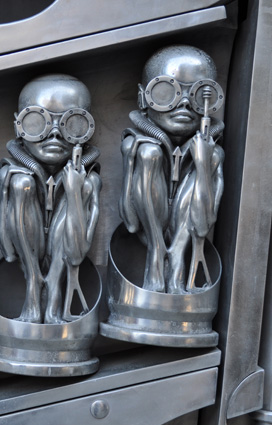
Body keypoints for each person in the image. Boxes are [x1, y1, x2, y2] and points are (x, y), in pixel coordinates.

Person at [119, 45, 224, 294]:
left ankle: (177, 262)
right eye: (167, 92)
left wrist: (202, 165)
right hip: (148, 236)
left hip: (187, 236)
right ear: (144, 97)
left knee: (211, 157)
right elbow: (131, 222)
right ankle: (157, 256)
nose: (185, 103)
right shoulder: (138, 148)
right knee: (148, 153)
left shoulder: (212, 153)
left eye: (198, 94)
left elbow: (203, 226)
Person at [0, 74, 101, 324]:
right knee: (21, 184)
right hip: (26, 265)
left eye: (71, 124)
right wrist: (8, 191)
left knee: (84, 186)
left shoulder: (88, 181)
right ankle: (33, 291)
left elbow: (77, 255)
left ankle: (54, 295)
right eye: (37, 122)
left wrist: (74, 194)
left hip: (65, 259)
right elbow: (8, 251)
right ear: (18, 126)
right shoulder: (13, 178)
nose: (54, 134)